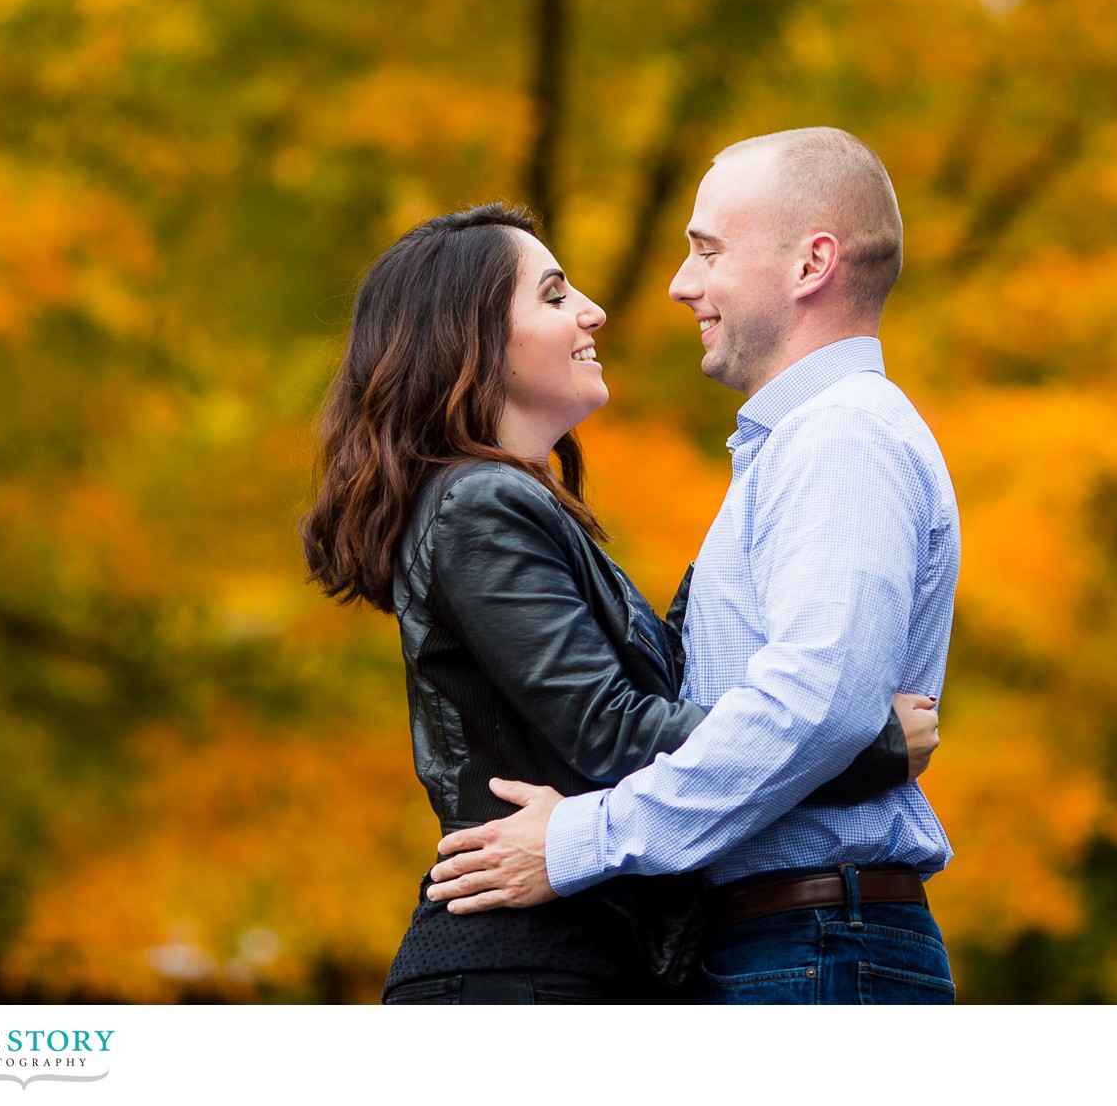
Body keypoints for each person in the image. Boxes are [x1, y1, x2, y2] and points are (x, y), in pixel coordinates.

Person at [299, 202, 935, 1005]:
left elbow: (650, 691)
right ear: (472, 338)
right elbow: (613, 730)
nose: (593, 309)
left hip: (578, 957)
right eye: (556, 295)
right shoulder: (478, 505)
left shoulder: (512, 505)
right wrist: (858, 743)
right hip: (519, 970)